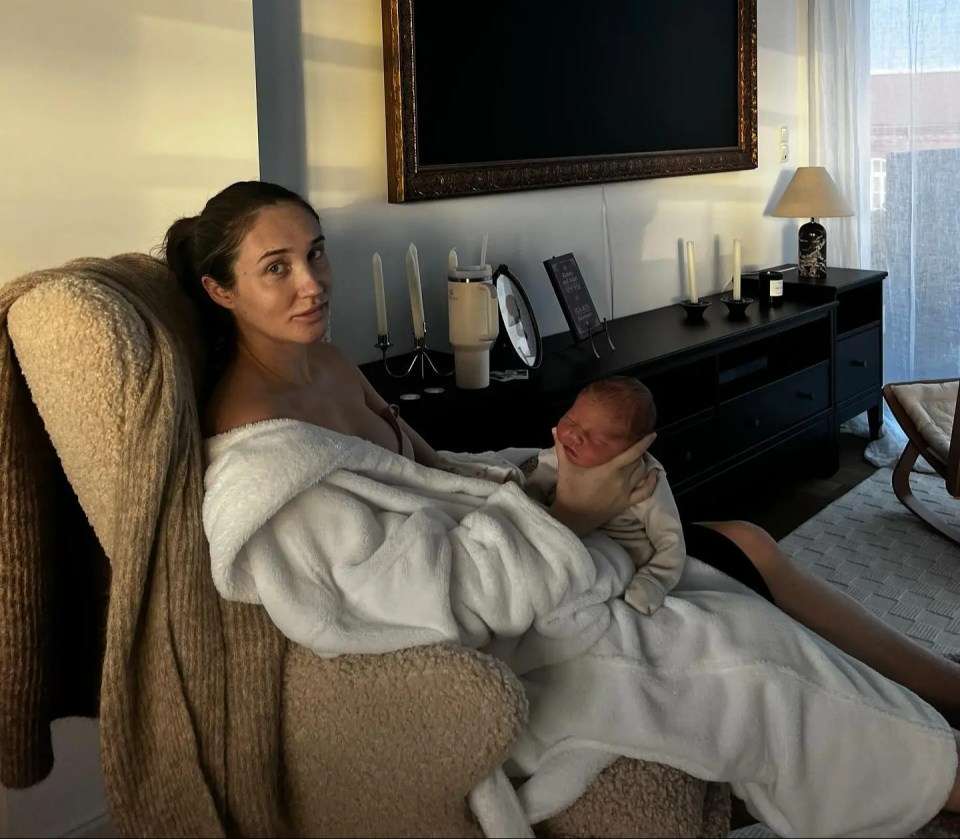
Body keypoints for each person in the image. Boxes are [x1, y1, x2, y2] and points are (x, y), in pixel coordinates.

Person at [167, 180, 960, 836]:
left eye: (314, 254)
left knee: (743, 543)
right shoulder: (263, 460)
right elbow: (419, 597)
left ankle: (941, 688)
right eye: (276, 268)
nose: (311, 283)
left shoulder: (328, 364)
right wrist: (573, 514)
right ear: (219, 287)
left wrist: (547, 475)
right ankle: (941, 774)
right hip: (506, 630)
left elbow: (437, 471)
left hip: (529, 550)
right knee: (743, 646)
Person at [523, 376, 685, 615]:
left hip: (623, 560)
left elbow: (671, 541)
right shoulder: (559, 455)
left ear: (632, 450)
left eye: (598, 439)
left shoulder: (645, 480)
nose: (575, 435)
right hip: (563, 543)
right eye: (571, 419)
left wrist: (655, 580)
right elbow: (530, 495)